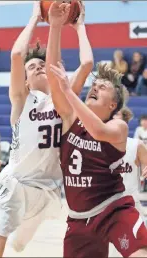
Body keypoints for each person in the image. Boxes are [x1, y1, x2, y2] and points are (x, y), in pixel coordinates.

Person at [0, 2, 93, 257]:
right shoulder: (22, 99)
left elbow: (86, 64)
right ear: (26, 80)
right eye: (32, 68)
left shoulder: (64, 100)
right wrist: (35, 17)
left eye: (42, 64)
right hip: (15, 184)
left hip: (48, 191)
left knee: (20, 244)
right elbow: (16, 56)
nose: (38, 67)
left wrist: (79, 26)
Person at [46, 3, 147, 257]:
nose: (95, 86)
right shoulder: (69, 118)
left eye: (103, 87)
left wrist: (69, 91)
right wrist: (58, 27)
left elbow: (99, 132)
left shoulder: (118, 126)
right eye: (96, 84)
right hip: (78, 219)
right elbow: (58, 69)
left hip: (113, 210)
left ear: (113, 104)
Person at [109, 107, 147, 257]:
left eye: (116, 114)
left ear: (125, 119)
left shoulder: (136, 145)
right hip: (106, 207)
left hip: (130, 205)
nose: (113, 118)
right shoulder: (98, 144)